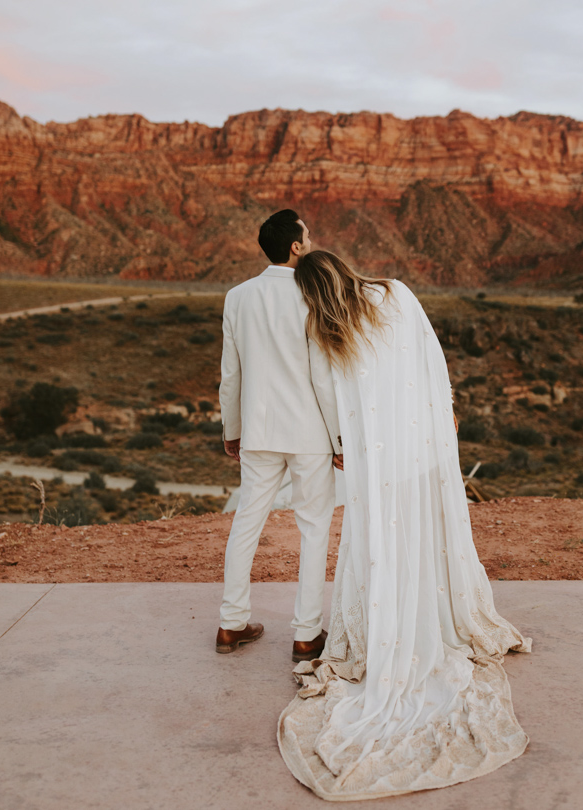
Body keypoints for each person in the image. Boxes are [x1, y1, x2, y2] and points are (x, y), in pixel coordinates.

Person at [278, 251, 531, 801]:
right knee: (428, 532)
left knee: (382, 539)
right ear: (345, 269)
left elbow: (329, 400)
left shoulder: (323, 331)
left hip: (377, 460)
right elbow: (430, 361)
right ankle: (442, 614)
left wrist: (342, 447)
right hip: (420, 447)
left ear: (310, 294)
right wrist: (446, 418)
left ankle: (388, 621)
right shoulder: (395, 293)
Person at [217, 211, 341, 661]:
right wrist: (340, 439)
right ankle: (306, 634)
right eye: (307, 234)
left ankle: (231, 625)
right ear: (295, 246)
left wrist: (233, 429)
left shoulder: (237, 297)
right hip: (308, 432)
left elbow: (231, 372)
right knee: (313, 529)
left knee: (247, 520)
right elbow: (324, 376)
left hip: (258, 431)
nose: (310, 239)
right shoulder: (311, 294)